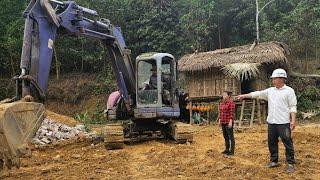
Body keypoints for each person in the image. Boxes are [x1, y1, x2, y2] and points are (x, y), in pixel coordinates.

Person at [237, 68, 297, 173]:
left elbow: (292, 107)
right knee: (272, 142)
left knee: (287, 142)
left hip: (283, 123)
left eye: (274, 79)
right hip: (271, 123)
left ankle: (291, 163)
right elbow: (258, 94)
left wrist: (293, 121)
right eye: (273, 79)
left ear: (282, 79)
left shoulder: (289, 91)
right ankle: (274, 161)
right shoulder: (270, 91)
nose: (273, 81)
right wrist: (244, 96)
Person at [218, 90, 236, 156]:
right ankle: (227, 149)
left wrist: (231, 121)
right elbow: (221, 112)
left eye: (225, 95)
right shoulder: (222, 103)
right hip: (223, 121)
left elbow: (232, 113)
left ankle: (232, 151)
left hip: (228, 122)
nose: (223, 96)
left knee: (231, 136)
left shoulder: (231, 103)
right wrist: (220, 119)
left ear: (228, 96)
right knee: (225, 136)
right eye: (223, 94)